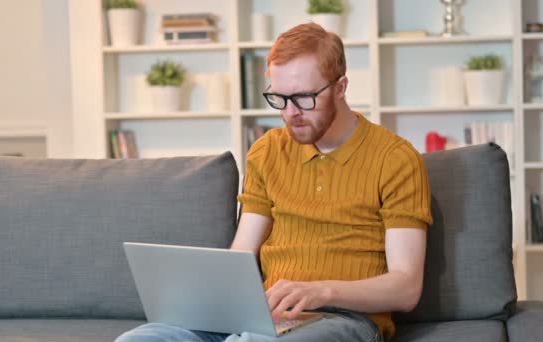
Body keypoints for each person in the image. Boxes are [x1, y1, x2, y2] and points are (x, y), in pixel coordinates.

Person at [115, 22, 432, 342]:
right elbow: (241, 254)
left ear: (340, 87)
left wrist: (321, 291)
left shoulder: (396, 158)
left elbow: (405, 288)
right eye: (279, 98)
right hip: (267, 315)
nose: (290, 113)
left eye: (304, 98)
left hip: (345, 319)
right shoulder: (267, 151)